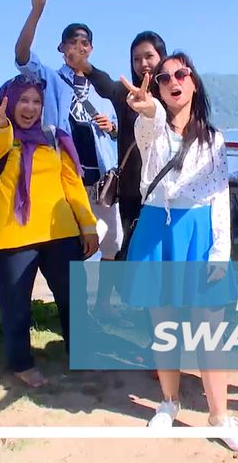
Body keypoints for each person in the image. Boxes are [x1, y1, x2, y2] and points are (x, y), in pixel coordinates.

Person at [120, 53, 238, 453]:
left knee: (209, 331)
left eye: (180, 74)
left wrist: (221, 253)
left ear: (193, 81)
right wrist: (147, 112)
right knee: (164, 326)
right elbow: (150, 129)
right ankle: (168, 403)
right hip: (158, 229)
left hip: (199, 232)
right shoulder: (153, 128)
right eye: (163, 78)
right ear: (158, 87)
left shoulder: (213, 138)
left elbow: (218, 197)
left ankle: (219, 415)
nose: (172, 81)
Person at [0, 74, 100, 388]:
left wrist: (87, 226)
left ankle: (82, 352)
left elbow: (72, 184)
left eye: (36, 101)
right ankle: (21, 362)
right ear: (9, 102)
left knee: (73, 297)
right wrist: (2, 126)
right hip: (14, 235)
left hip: (59, 232)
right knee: (16, 303)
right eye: (23, 100)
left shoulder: (54, 137)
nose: (30, 107)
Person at [14, 0, 122, 270]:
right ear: (61, 49)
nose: (78, 47)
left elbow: (119, 132)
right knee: (77, 244)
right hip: (67, 179)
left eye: (84, 43)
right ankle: (79, 307)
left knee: (112, 241)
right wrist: (36, 11)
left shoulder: (103, 86)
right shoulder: (49, 79)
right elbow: (22, 55)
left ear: (91, 48)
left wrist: (112, 128)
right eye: (71, 43)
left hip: (102, 181)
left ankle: (104, 305)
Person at [78, 31, 169, 319]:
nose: (143, 63)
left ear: (161, 58)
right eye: (137, 58)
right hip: (131, 191)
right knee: (125, 252)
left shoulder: (173, 93)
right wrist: (86, 65)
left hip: (164, 193)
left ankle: (152, 315)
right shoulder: (126, 95)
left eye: (149, 57)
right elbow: (104, 84)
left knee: (157, 258)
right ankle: (111, 306)